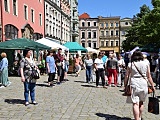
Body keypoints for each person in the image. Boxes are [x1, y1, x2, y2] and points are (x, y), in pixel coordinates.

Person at [124, 51, 155, 120]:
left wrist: (125, 85)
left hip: (134, 83)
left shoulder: (130, 64)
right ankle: (140, 117)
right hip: (144, 83)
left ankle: (136, 119)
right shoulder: (146, 64)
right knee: (141, 102)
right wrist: (152, 85)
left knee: (135, 103)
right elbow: (149, 76)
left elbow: (126, 76)